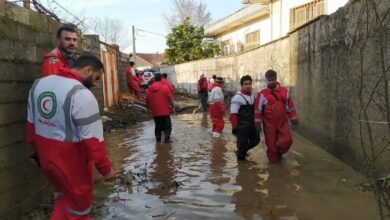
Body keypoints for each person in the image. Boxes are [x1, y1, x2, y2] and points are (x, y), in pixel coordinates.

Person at [26, 55, 115, 219]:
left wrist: (38, 154)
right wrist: (106, 170)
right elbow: (93, 143)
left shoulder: (38, 85)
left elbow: (31, 129)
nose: (95, 83)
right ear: (87, 70)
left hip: (47, 160)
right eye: (96, 77)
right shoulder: (82, 95)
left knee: (63, 198)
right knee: (79, 212)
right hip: (72, 165)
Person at [254, 69, 299, 163]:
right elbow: (257, 111)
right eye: (269, 80)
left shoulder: (284, 92)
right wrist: (257, 126)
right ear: (266, 80)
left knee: (287, 141)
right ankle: (274, 170)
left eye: (273, 79)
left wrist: (294, 120)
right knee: (271, 148)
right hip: (268, 125)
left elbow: (290, 107)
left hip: (283, 123)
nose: (271, 82)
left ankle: (279, 153)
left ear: (276, 79)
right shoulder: (261, 94)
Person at [229, 75, 260, 160]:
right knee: (242, 152)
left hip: (251, 125)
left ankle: (241, 151)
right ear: (242, 86)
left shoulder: (253, 96)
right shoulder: (237, 98)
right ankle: (241, 168)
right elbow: (233, 114)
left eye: (250, 83)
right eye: (245, 84)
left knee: (256, 140)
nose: (248, 85)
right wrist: (235, 128)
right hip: (241, 128)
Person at [146, 73, 174, 143]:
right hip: (165, 112)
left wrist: (148, 109)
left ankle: (158, 140)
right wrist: (173, 107)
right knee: (168, 126)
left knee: (158, 126)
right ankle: (167, 140)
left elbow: (147, 101)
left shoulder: (149, 89)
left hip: (155, 112)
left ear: (154, 79)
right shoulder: (165, 88)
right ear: (161, 79)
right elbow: (171, 100)